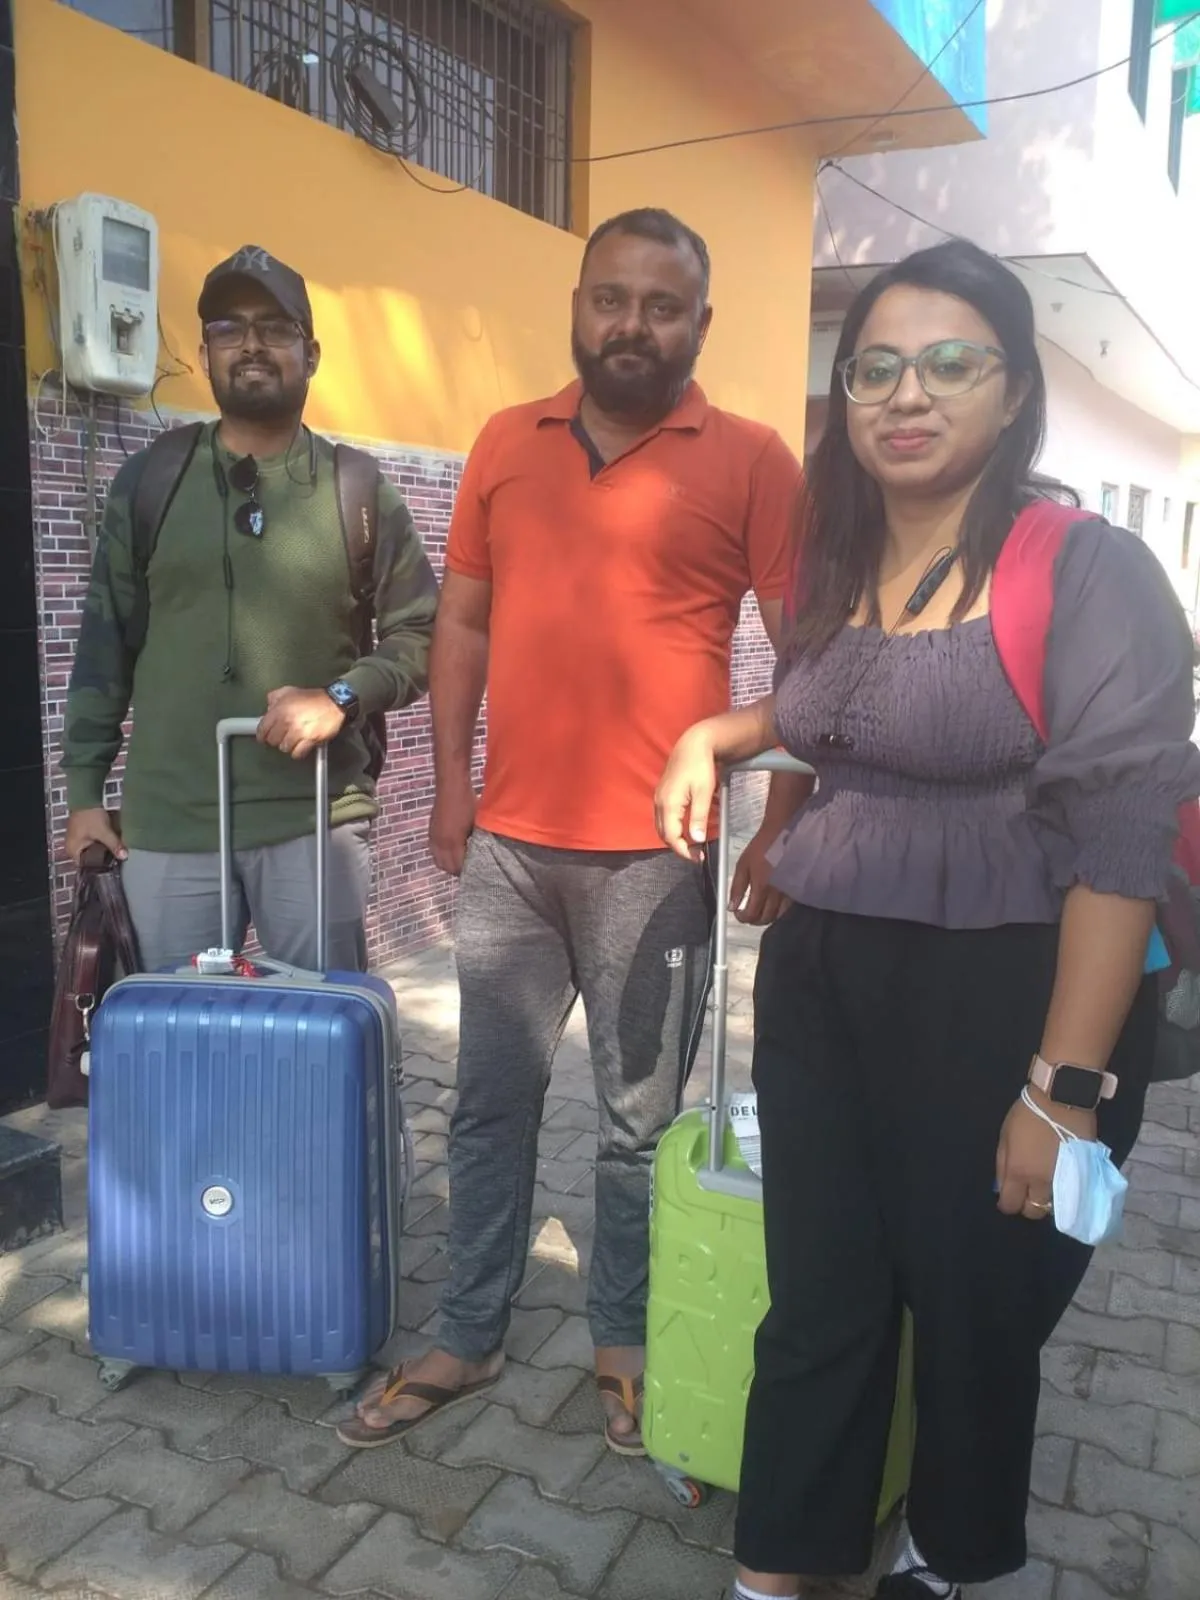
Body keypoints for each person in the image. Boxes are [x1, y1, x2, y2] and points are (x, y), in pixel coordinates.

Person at [655, 238, 1200, 1600]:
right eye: (879, 366)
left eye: (953, 362)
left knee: (972, 1317)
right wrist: (716, 732)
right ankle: (782, 1567)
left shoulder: (1084, 568)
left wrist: (1063, 1094)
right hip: (826, 973)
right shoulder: (835, 568)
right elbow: (826, 707)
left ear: (1012, 391)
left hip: (1013, 990)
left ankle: (957, 1565)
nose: (911, 392)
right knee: (821, 1299)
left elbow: (1125, 840)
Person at [337, 207, 806, 1452]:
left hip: (666, 859)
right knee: (490, 1106)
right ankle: (470, 1332)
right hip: (511, 852)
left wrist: (784, 823)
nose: (632, 324)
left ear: (700, 324)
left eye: (662, 305)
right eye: (612, 298)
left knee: (635, 1125)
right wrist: (446, 785)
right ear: (578, 303)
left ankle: (626, 1338)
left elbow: (813, 661)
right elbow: (465, 630)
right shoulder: (505, 439)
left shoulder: (756, 459)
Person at [62, 246, 439, 971]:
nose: (253, 344)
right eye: (230, 328)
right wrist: (84, 794)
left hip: (314, 818)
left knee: (329, 1043)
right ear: (205, 353)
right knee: (187, 1044)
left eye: (276, 327)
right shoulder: (151, 481)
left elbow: (422, 633)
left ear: (312, 351)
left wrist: (341, 697)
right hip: (173, 823)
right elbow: (103, 645)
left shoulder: (354, 488)